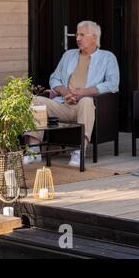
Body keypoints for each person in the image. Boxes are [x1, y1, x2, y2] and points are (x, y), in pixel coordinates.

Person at [25, 20, 120, 167]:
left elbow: (112, 84)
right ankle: (34, 150)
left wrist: (84, 92)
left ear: (93, 37)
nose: (77, 39)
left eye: (82, 35)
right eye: (76, 35)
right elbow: (54, 78)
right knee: (36, 100)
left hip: (85, 107)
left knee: (87, 101)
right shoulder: (69, 55)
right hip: (63, 104)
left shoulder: (107, 58)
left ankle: (79, 150)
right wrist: (65, 92)